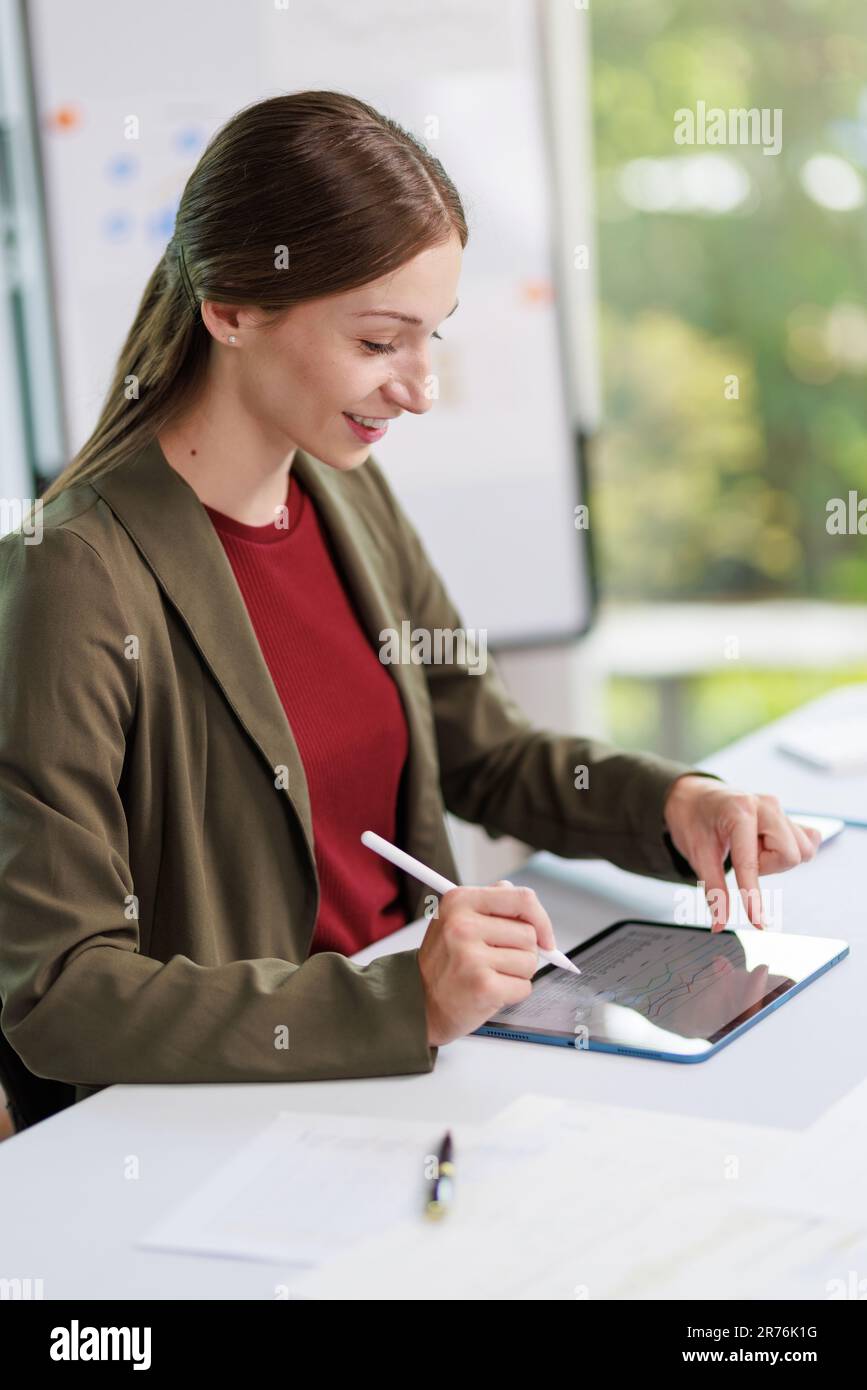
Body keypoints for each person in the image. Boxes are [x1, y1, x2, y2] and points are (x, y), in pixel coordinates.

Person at [0, 91, 820, 1113]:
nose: (422, 388)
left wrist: (671, 804)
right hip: (242, 1116)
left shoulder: (342, 486)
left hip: (416, 1081)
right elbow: (58, 990)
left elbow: (482, 747)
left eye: (433, 336)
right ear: (233, 309)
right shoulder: (73, 574)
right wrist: (398, 1000)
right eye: (380, 342)